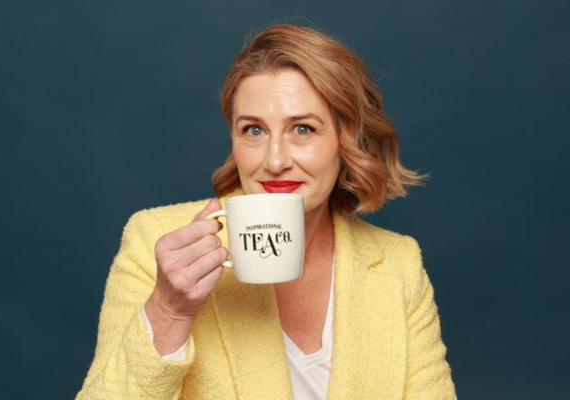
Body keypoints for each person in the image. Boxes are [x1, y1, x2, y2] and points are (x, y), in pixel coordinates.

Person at [76, 23, 457, 400]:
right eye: (254, 131)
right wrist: (169, 311)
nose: (275, 161)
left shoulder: (398, 263)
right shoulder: (155, 241)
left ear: (348, 139)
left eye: (303, 129)